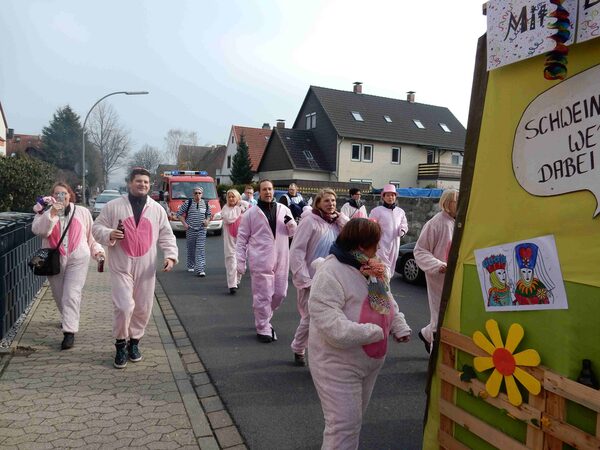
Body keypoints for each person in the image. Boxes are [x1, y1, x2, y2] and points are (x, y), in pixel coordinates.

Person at [308, 218, 411, 449]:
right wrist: (375, 332)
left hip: (369, 361)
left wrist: (398, 324)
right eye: (376, 243)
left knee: (353, 422)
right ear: (362, 246)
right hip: (336, 363)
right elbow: (331, 326)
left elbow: (385, 300)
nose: (380, 248)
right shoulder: (330, 273)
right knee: (343, 425)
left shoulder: (370, 267)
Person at [92, 167, 178, 369]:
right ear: (130, 183)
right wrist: (110, 234)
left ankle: (135, 343)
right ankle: (120, 344)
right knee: (123, 307)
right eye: (139, 181)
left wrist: (171, 256)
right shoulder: (114, 206)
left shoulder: (156, 209)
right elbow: (96, 228)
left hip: (146, 267)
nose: (143, 185)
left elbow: (166, 235)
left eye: (146, 182)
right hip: (121, 265)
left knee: (143, 307)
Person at [32, 182, 105, 350]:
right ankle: (67, 318)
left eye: (64, 193)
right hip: (54, 260)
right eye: (57, 194)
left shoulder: (83, 212)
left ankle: (69, 332)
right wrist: (51, 213)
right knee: (59, 295)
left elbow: (91, 236)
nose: (61, 197)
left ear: (70, 195)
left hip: (78, 258)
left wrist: (98, 252)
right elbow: (40, 231)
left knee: (71, 294)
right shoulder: (45, 211)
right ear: (52, 196)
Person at [289, 188, 348, 366]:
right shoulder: (309, 221)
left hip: (332, 278)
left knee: (331, 317)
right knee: (309, 317)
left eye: (333, 201)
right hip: (311, 277)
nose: (331, 204)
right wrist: (303, 278)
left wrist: (340, 218)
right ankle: (298, 347)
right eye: (327, 201)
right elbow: (297, 251)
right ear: (318, 203)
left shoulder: (336, 222)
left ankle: (325, 355)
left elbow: (352, 232)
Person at [236, 179, 297, 343]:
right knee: (263, 296)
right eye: (264, 190)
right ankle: (262, 327)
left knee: (280, 294)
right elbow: (241, 239)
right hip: (261, 260)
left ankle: (262, 315)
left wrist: (291, 225)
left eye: (270, 189)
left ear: (273, 190)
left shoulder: (284, 210)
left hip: (282, 260)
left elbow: (293, 234)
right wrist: (240, 262)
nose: (268, 192)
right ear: (259, 192)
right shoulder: (250, 213)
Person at [413, 189, 458, 353]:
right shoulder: (435, 223)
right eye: (456, 201)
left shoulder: (457, 222)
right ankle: (436, 357)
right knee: (440, 314)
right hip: (439, 275)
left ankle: (426, 334)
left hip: (454, 275)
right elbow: (420, 250)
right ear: (447, 203)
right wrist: (438, 265)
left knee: (449, 313)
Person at [369, 184, 408, 278]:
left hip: (395, 244)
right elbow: (370, 226)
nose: (391, 197)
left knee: (390, 269)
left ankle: (386, 289)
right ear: (383, 197)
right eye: (388, 195)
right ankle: (379, 289)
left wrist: (402, 230)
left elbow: (404, 224)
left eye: (393, 195)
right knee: (380, 268)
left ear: (395, 196)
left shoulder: (400, 212)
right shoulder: (376, 211)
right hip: (380, 244)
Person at [176, 186, 211, 277]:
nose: (197, 195)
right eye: (196, 193)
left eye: (199, 193)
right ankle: (191, 265)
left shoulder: (206, 203)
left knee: (200, 249)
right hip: (190, 229)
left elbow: (209, 215)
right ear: (193, 194)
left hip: (201, 230)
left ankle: (200, 270)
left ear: (202, 194)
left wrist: (207, 221)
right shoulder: (188, 202)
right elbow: (179, 214)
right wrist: (184, 224)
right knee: (191, 248)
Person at [221, 189, 249, 294]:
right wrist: (239, 208)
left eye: (233, 196)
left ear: (238, 197)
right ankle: (232, 285)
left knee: (241, 261)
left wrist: (241, 205)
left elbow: (249, 208)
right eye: (229, 197)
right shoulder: (225, 208)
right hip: (230, 241)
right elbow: (229, 218)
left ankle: (237, 280)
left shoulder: (243, 206)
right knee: (231, 261)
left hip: (242, 239)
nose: (231, 198)